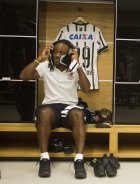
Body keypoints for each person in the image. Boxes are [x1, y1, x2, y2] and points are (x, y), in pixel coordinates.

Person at [19, 39, 90, 179]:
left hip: (70, 108)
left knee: (78, 113)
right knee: (43, 112)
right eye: (55, 51)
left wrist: (78, 66)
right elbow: (24, 76)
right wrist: (39, 59)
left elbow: (86, 89)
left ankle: (79, 160)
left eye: (62, 53)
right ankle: (44, 159)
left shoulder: (75, 68)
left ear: (70, 54)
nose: (57, 55)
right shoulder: (46, 66)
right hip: (51, 108)